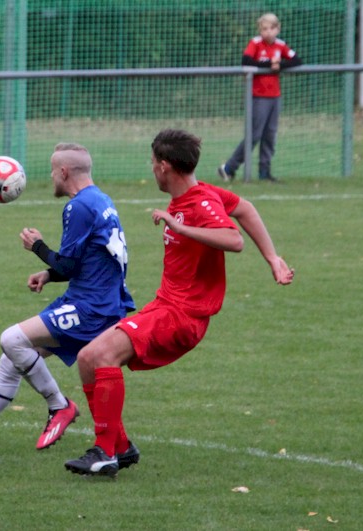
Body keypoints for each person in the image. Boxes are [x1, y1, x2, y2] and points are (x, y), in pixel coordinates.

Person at [65, 129, 294, 477]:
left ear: (165, 166)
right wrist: (273, 257)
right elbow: (244, 209)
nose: (152, 168)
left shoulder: (199, 203)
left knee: (103, 356)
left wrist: (180, 227)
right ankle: (120, 447)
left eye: (154, 162)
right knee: (86, 359)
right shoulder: (202, 193)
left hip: (182, 315)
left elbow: (233, 239)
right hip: (165, 306)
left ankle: (104, 451)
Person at [0, 143, 136, 450]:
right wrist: (49, 275)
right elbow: (81, 262)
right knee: (12, 358)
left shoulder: (78, 207)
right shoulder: (100, 199)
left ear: (64, 172)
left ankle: (59, 405)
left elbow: (67, 263)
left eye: (53, 171)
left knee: (11, 339)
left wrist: (37, 247)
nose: (52, 177)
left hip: (90, 307)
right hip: (100, 300)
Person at [218, 13, 302, 183]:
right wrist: (270, 65)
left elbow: (297, 60)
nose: (268, 32)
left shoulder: (280, 45)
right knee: (254, 135)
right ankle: (228, 168)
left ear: (277, 29)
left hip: (275, 97)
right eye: (264, 29)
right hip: (259, 97)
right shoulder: (255, 43)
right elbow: (246, 61)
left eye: (272, 28)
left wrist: (280, 65)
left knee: (270, 135)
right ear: (260, 30)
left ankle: (264, 172)